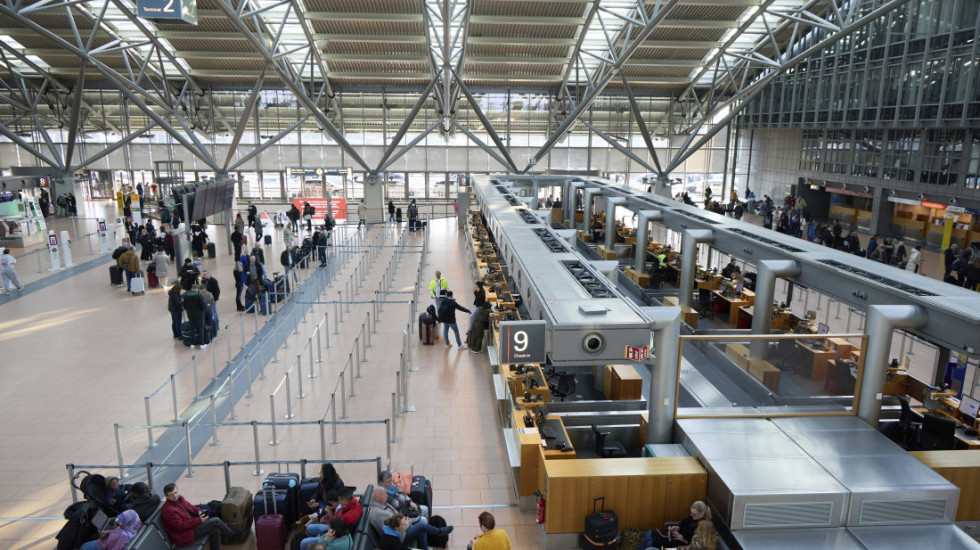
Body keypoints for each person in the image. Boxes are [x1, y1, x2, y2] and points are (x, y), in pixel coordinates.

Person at [160, 483, 247, 549]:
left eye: (175, 492)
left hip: (191, 527)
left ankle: (227, 540)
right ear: (166, 496)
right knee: (215, 521)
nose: (175, 496)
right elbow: (180, 526)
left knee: (215, 530)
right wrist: (199, 521)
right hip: (184, 535)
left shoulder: (180, 498)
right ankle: (233, 536)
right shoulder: (168, 510)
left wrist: (199, 511)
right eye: (172, 495)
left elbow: (191, 507)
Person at [367, 487, 452, 550]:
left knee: (421, 532)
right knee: (421, 525)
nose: (387, 495)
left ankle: (427, 545)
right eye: (384, 494)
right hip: (399, 537)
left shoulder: (381, 503)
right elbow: (393, 529)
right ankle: (438, 531)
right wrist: (407, 524)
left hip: (399, 529)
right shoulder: (378, 514)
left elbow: (395, 516)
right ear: (377, 498)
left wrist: (404, 519)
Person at [639, 500, 709, 549]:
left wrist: (683, 539)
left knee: (650, 537)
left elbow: (696, 546)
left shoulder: (703, 527)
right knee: (650, 538)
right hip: (674, 536)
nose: (691, 515)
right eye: (691, 513)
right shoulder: (692, 517)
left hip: (679, 543)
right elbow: (683, 523)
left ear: (702, 514)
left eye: (694, 514)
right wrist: (678, 527)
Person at [182, 284, 209, 349]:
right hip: (199, 314)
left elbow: (184, 305)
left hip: (190, 314)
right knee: (200, 328)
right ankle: (202, 343)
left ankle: (192, 344)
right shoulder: (199, 295)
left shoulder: (186, 296)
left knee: (192, 328)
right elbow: (203, 306)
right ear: (197, 289)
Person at [201, 270, 220, 337]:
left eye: (205, 274)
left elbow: (217, 290)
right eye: (203, 274)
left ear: (209, 274)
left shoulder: (214, 281)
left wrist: (215, 299)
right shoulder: (204, 280)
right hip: (206, 300)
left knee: (214, 312)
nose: (204, 276)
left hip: (212, 300)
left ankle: (216, 326)